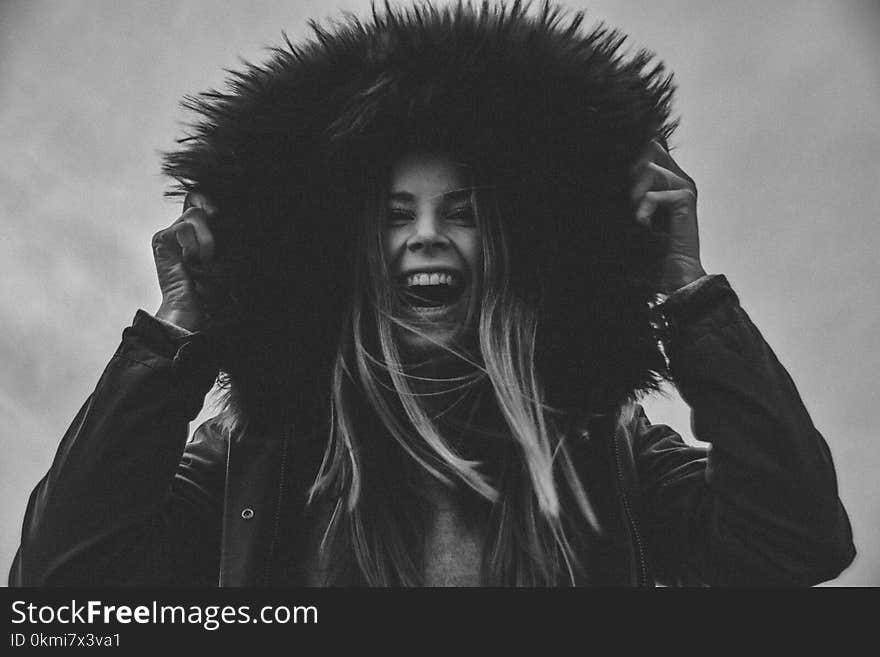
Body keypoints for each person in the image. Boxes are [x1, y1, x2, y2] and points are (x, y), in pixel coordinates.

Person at [10, 1, 855, 587]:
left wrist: (686, 289)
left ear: (506, 248)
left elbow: (797, 540)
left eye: (462, 212)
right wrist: (179, 332)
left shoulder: (606, 449)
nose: (425, 234)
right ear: (352, 249)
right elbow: (63, 583)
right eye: (393, 215)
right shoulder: (251, 459)